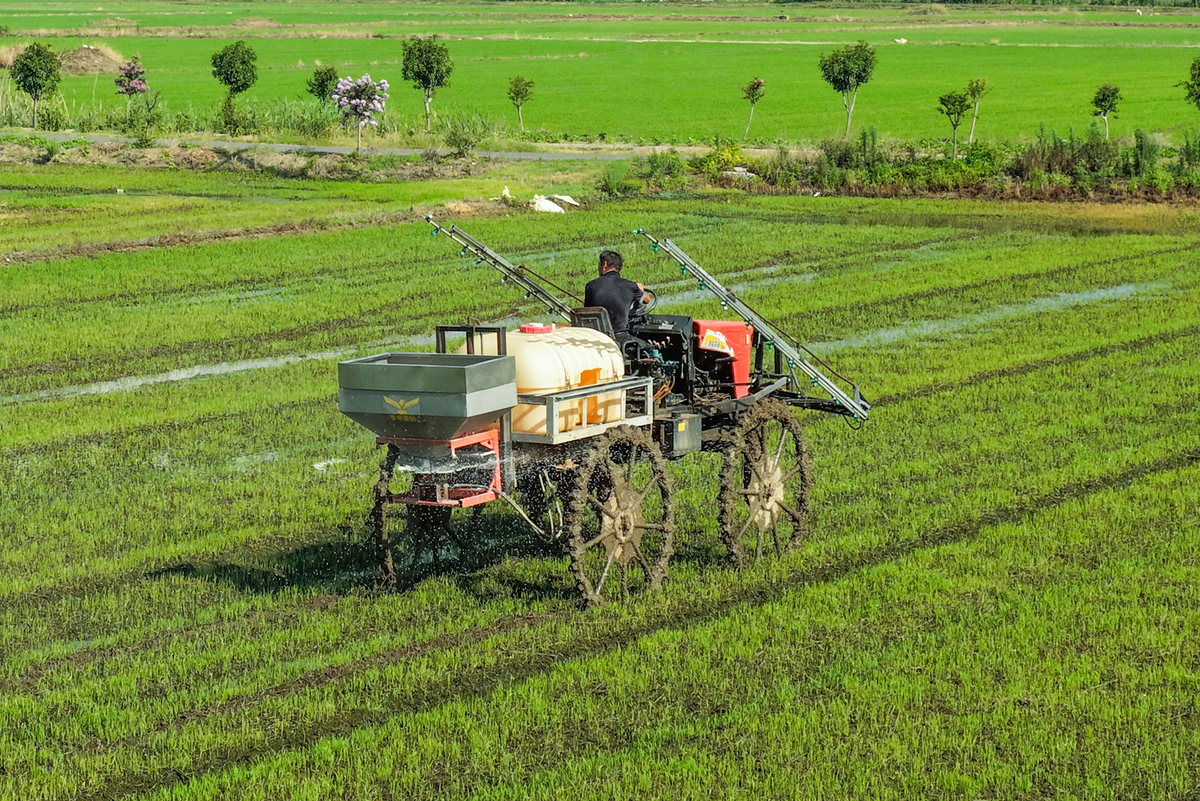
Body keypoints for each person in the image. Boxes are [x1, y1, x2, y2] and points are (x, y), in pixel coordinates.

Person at [584, 250, 652, 343]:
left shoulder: (590, 285)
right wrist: (640, 289)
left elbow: (586, 311)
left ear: (604, 264)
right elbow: (647, 300)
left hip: (594, 336)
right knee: (650, 348)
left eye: (599, 264)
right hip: (620, 338)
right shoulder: (631, 286)